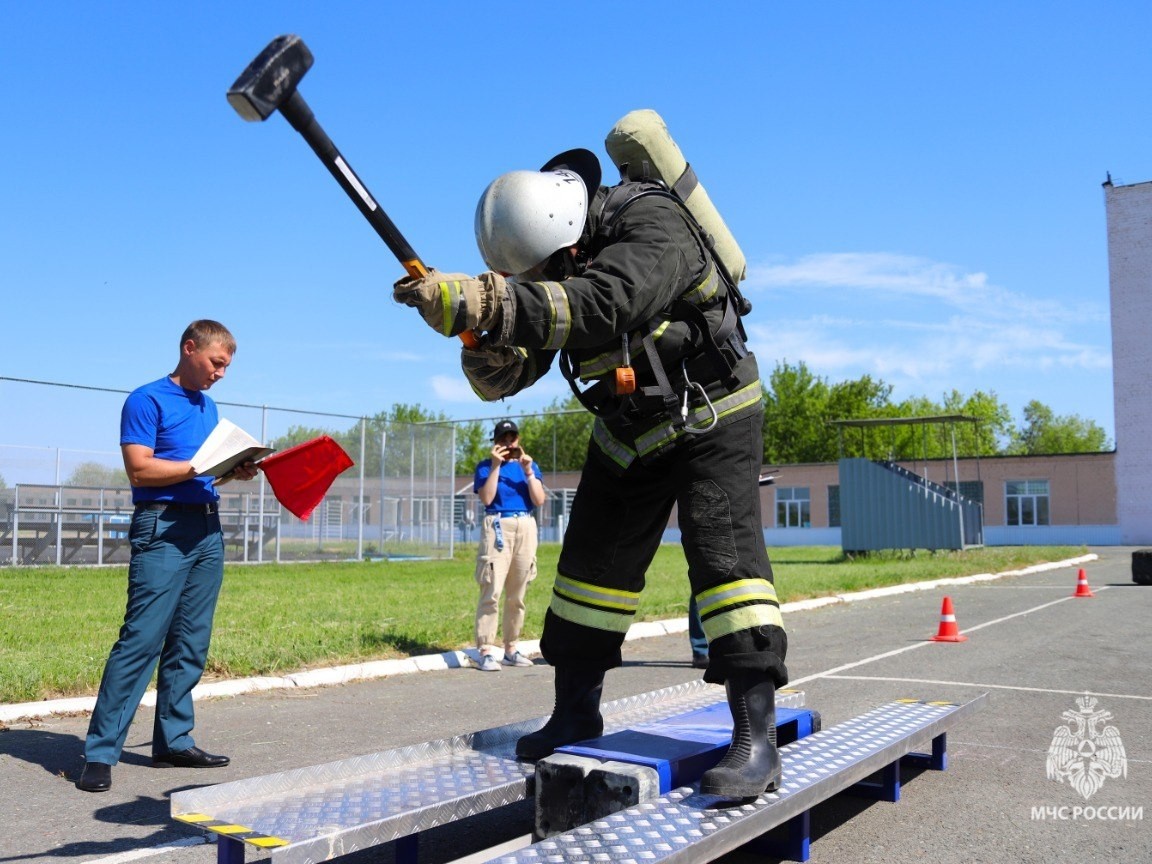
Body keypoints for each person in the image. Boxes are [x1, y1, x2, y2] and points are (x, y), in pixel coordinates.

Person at [394, 146, 787, 799]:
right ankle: (575, 711)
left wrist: (484, 300)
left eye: (539, 272)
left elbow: (605, 304)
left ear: (565, 243)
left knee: (726, 563)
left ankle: (756, 740)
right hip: (629, 428)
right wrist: (469, 329)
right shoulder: (563, 259)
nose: (533, 282)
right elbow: (520, 359)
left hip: (712, 413)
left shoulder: (653, 221)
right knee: (587, 575)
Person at [77, 320, 258, 793]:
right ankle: (100, 753)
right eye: (216, 362)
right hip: (162, 526)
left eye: (226, 367)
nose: (221, 374)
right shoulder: (146, 399)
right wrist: (197, 468)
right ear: (189, 348)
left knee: (190, 641)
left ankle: (174, 741)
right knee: (141, 639)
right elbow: (140, 469)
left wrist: (229, 473)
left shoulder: (209, 405)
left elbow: (199, 474)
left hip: (205, 526)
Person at [472, 419, 546, 672]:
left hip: (525, 525)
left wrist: (527, 471)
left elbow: (538, 499)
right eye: (502, 439)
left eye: (512, 438)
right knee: (491, 589)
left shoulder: (529, 466)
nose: (508, 443)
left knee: (518, 593)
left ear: (518, 441)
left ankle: (511, 648)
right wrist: (495, 466)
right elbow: (487, 498)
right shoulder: (485, 467)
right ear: (495, 442)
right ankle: (485, 650)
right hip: (498, 525)